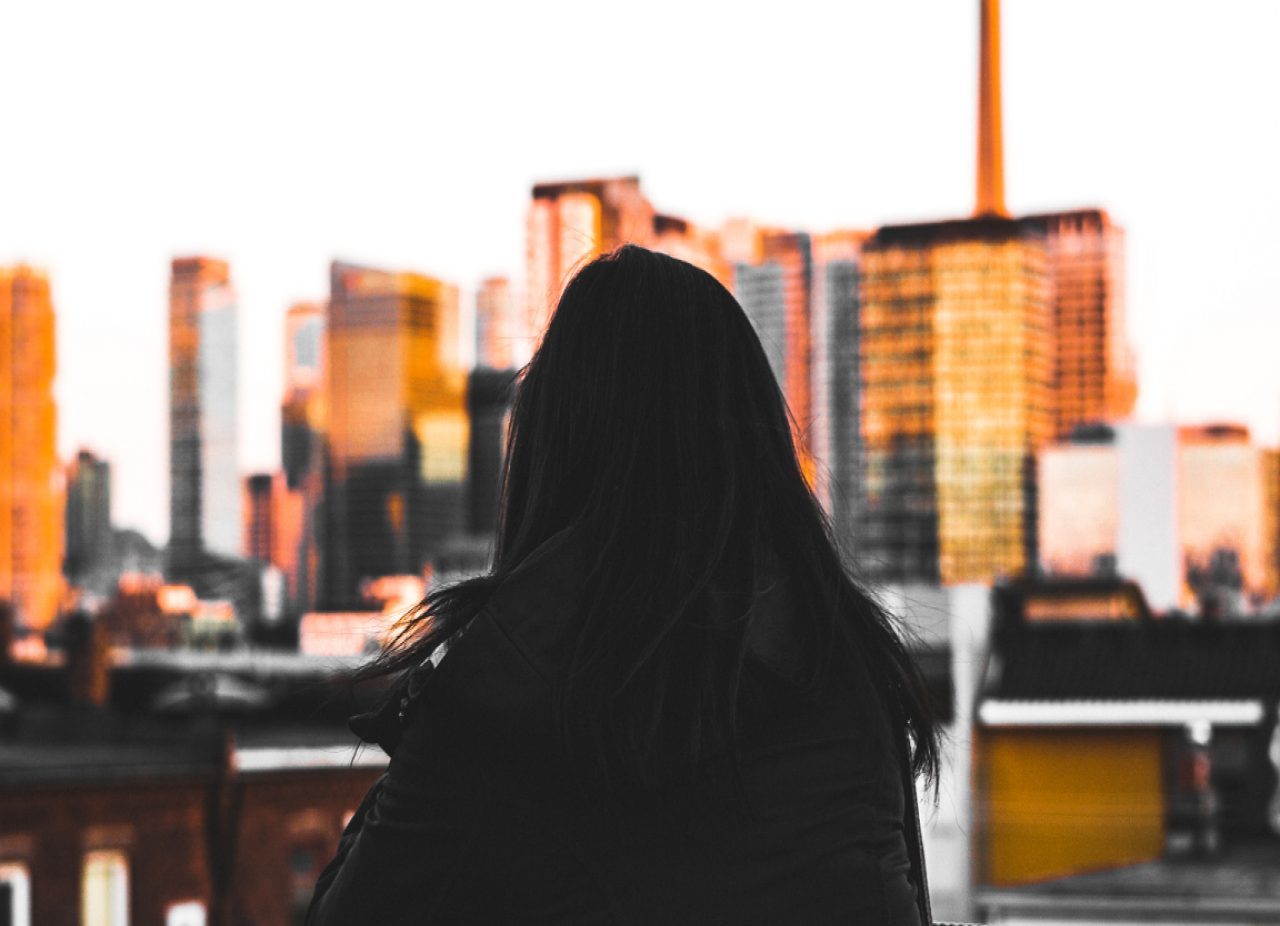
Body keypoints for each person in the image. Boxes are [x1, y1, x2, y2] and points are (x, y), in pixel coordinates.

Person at [306, 244, 940, 925]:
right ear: (754, 440)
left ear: (555, 443)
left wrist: (433, 720)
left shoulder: (511, 686)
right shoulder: (850, 671)